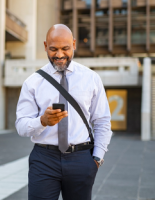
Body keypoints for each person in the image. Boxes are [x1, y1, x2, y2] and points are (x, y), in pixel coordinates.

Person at [15, 24, 112, 200]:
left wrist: (97, 159)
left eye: (65, 48)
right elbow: (21, 126)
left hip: (81, 158)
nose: (59, 55)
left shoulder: (91, 78)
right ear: (45, 46)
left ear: (74, 44)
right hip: (44, 159)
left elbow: (102, 121)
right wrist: (42, 121)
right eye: (53, 49)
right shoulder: (33, 82)